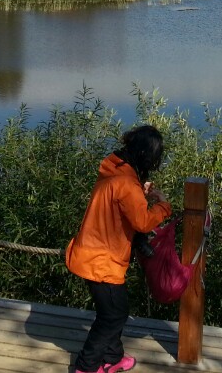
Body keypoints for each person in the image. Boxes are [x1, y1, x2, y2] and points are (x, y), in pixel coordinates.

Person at [65, 125, 173, 373]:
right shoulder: (127, 183)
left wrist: (138, 191)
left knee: (113, 312)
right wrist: (164, 205)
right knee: (113, 316)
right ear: (147, 155)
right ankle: (86, 366)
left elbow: (121, 200)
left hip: (90, 253)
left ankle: (113, 358)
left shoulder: (115, 169)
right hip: (102, 261)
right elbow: (143, 222)